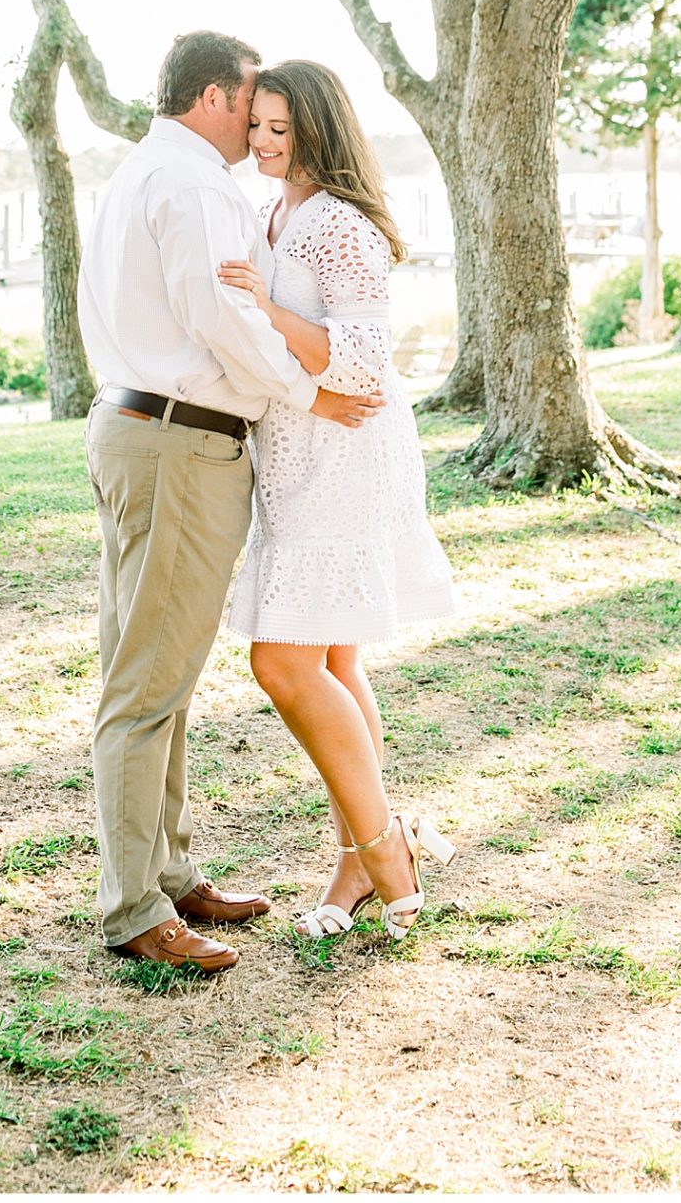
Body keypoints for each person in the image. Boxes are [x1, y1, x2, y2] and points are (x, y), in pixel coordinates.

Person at [77, 29, 386, 976]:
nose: (256, 130)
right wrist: (312, 397)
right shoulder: (196, 187)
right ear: (213, 97)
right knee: (145, 683)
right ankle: (134, 905)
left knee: (152, 665)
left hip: (139, 429)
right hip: (177, 443)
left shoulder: (137, 174)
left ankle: (165, 873)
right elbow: (223, 318)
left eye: (274, 121)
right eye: (250, 108)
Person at [217, 59, 459, 940]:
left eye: (282, 130)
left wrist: (264, 310)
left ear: (319, 129)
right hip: (291, 455)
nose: (265, 145)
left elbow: (361, 363)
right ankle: (359, 857)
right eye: (257, 129)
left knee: (282, 665)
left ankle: (383, 842)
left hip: (344, 455)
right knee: (336, 665)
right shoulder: (268, 213)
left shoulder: (339, 228)